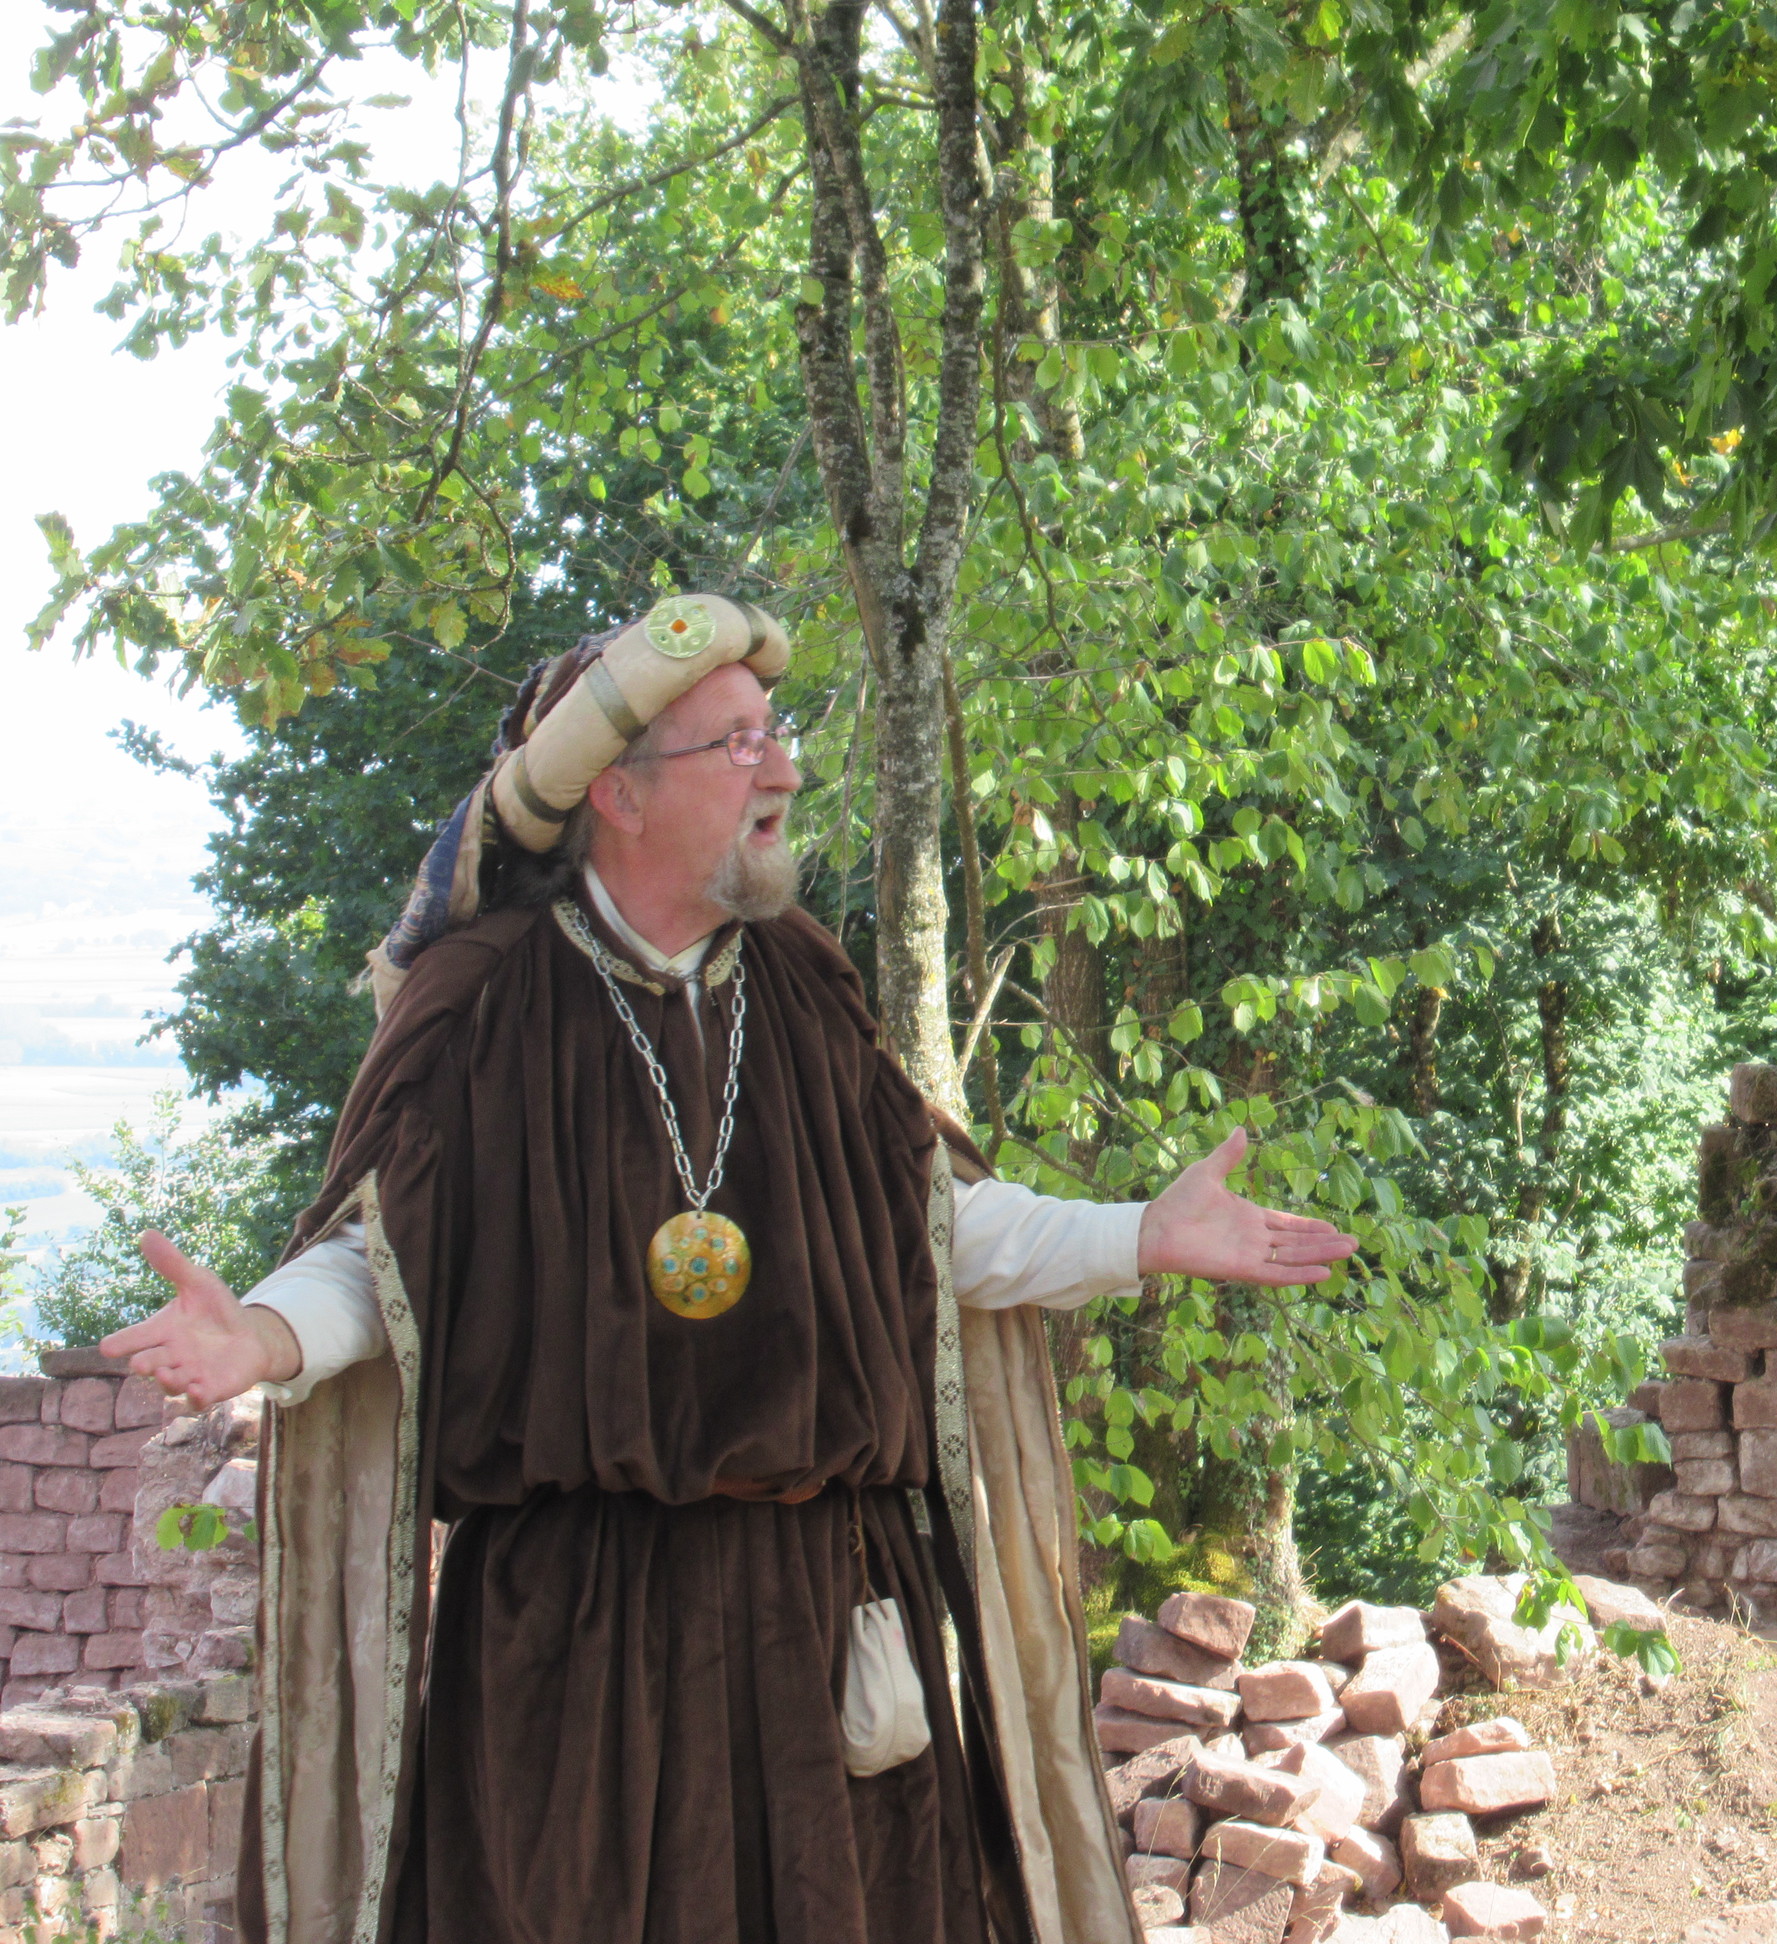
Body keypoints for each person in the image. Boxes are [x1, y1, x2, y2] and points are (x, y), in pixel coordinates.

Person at [102, 593, 1357, 1944]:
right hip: (575, 1646)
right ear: (619, 793)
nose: (786, 772)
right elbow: (386, 1266)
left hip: (830, 1625)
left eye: (778, 732)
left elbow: (927, 1231)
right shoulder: (486, 1003)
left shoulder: (804, 986)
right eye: (740, 744)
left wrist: (1138, 1234)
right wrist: (264, 1339)